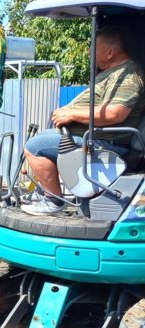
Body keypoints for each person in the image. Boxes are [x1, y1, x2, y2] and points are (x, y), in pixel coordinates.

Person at [21, 26, 145, 215]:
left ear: (110, 52)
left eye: (93, 48)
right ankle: (47, 194)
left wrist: (71, 115)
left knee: (34, 146)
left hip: (107, 143)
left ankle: (53, 201)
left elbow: (115, 113)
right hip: (94, 139)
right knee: (44, 137)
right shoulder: (114, 72)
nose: (89, 53)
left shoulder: (127, 75)